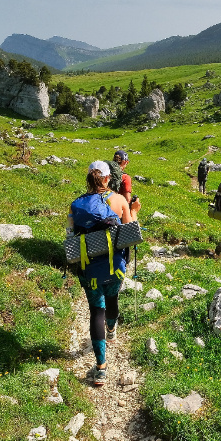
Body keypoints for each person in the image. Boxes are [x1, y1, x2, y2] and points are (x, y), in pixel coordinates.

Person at [68, 160, 140, 386]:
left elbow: (70, 236)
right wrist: (134, 211)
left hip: (89, 270)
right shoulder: (119, 200)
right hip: (115, 266)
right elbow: (131, 234)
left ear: (89, 177)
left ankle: (100, 368)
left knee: (95, 311)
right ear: (108, 178)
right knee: (112, 298)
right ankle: (111, 330)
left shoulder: (76, 205)